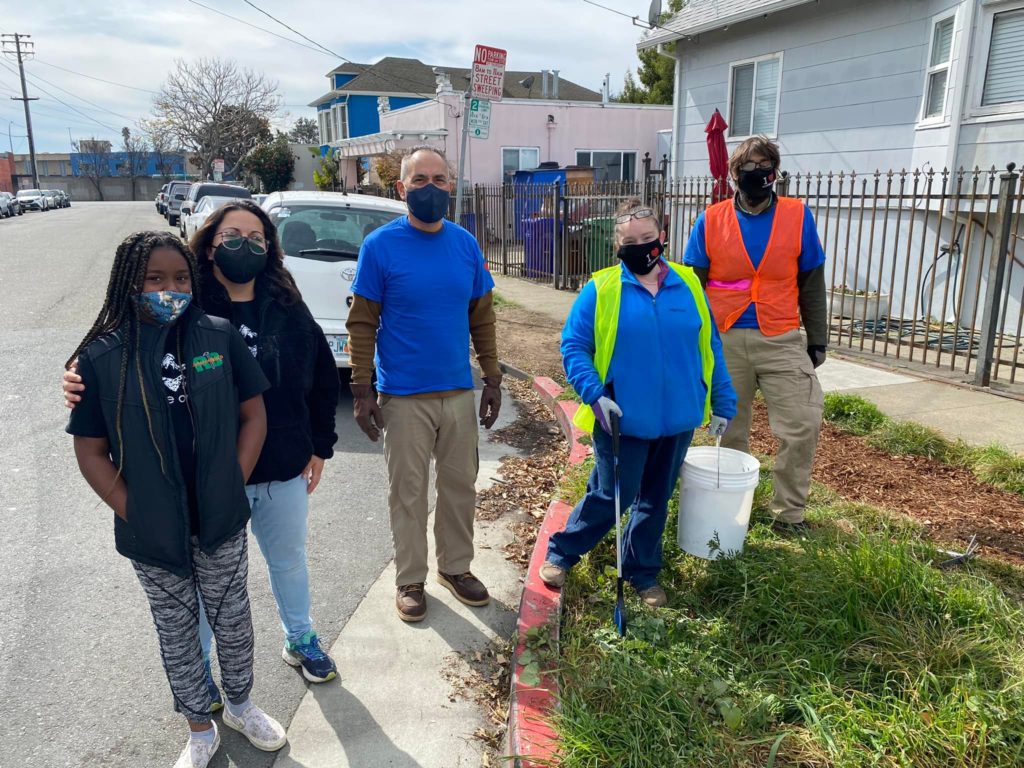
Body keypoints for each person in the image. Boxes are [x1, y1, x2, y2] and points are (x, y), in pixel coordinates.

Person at [64, 201, 341, 687]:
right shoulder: (187, 309)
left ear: (270, 249)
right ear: (209, 247)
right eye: (231, 236)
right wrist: (76, 378)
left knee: (288, 561)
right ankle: (203, 668)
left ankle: (300, 638)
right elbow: (124, 357)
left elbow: (321, 380)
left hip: (279, 470)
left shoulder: (289, 308)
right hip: (201, 483)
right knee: (212, 591)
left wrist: (320, 445)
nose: (244, 246)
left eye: (256, 239)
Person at [65, 231, 286, 768]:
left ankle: (240, 704)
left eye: (181, 278)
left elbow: (254, 415)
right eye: (155, 279)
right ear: (129, 284)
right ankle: (198, 725)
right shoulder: (102, 357)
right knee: (177, 631)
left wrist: (233, 480)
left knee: (233, 619)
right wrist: (133, 509)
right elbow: (91, 450)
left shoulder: (218, 337)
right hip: (153, 534)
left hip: (222, 520)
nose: (171, 289)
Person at [539, 200, 736, 606]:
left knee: (656, 499)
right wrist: (594, 395)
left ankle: (642, 572)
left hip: (678, 417)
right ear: (618, 245)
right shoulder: (601, 288)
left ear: (662, 236)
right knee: (612, 495)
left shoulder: (689, 284)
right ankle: (563, 552)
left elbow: (708, 347)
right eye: (631, 241)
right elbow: (574, 346)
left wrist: (723, 400)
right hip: (621, 418)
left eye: (648, 238)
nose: (641, 247)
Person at [346, 145, 502, 622]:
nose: (430, 189)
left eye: (439, 179)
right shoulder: (380, 247)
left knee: (460, 487)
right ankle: (410, 578)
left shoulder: (464, 245)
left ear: (451, 186)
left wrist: (492, 377)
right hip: (403, 397)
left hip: (456, 390)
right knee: (408, 493)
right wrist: (361, 389)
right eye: (419, 181)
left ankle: (455, 568)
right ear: (402, 188)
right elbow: (362, 324)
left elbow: (482, 316)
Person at [683, 135, 827, 529]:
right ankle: (729, 511)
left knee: (803, 423)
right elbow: (693, 286)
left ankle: (789, 514)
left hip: (780, 336)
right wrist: (692, 342)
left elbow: (812, 280)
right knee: (729, 429)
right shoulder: (711, 220)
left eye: (764, 168)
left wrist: (817, 338)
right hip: (725, 338)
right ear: (734, 176)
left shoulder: (798, 216)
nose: (757, 176)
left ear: (775, 172)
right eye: (747, 170)